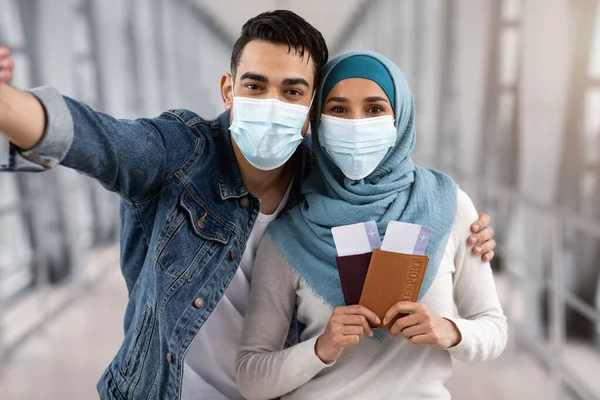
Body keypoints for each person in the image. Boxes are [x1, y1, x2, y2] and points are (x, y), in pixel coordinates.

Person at [0, 11, 497, 400]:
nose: (272, 103)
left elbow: (393, 182)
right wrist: (7, 103)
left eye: (293, 92)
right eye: (256, 85)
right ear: (228, 88)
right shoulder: (179, 154)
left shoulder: (325, 180)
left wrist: (461, 228)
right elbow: (96, 138)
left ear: (309, 114)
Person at [236, 51, 508, 400]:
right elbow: (251, 376)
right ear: (317, 121)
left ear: (401, 117)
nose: (355, 123)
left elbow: (494, 327)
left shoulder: (449, 206)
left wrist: (451, 331)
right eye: (338, 109)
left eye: (375, 109)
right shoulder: (290, 235)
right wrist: (321, 348)